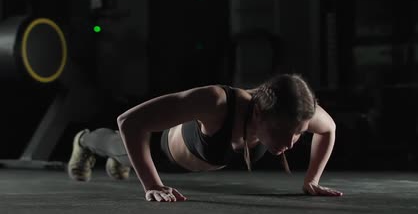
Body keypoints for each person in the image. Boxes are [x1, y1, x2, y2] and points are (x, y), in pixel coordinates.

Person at [67, 73, 343, 202]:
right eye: (283, 133)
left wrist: (312, 180)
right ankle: (85, 140)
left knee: (123, 156)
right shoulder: (217, 102)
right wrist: (152, 184)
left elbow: (328, 128)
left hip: (191, 164)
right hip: (162, 154)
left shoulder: (295, 112)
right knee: (117, 145)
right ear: (258, 113)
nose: (291, 143)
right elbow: (129, 121)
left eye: (298, 134)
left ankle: (122, 163)